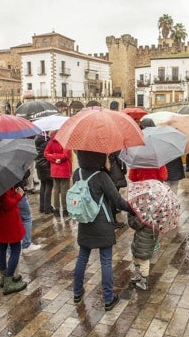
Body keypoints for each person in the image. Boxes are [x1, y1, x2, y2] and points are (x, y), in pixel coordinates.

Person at [72, 150, 133, 311]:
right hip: (102, 223)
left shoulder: (77, 174)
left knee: (82, 257)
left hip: (85, 222)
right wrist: (134, 209)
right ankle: (108, 298)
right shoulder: (101, 177)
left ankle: (77, 292)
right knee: (105, 261)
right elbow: (118, 201)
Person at [0, 186, 28, 294]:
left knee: (1, 247)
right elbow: (7, 203)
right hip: (8, 220)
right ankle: (8, 280)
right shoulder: (3, 183)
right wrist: (19, 195)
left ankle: (4, 276)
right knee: (15, 249)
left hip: (0, 220)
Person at [44, 132, 72, 216]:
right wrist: (58, 158)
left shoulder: (51, 142)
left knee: (56, 190)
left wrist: (53, 158)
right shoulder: (65, 141)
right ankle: (65, 210)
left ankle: (56, 210)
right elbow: (66, 155)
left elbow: (46, 154)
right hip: (64, 169)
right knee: (64, 190)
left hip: (54, 169)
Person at [106, 151, 128, 228]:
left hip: (107, 173)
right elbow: (121, 161)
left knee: (110, 197)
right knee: (113, 198)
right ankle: (113, 221)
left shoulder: (103, 145)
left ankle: (113, 211)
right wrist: (124, 170)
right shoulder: (115, 146)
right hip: (115, 175)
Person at [34, 131, 54, 214]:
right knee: (49, 185)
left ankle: (42, 207)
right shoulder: (48, 142)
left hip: (39, 165)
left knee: (43, 185)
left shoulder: (36, 142)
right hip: (47, 165)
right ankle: (47, 208)